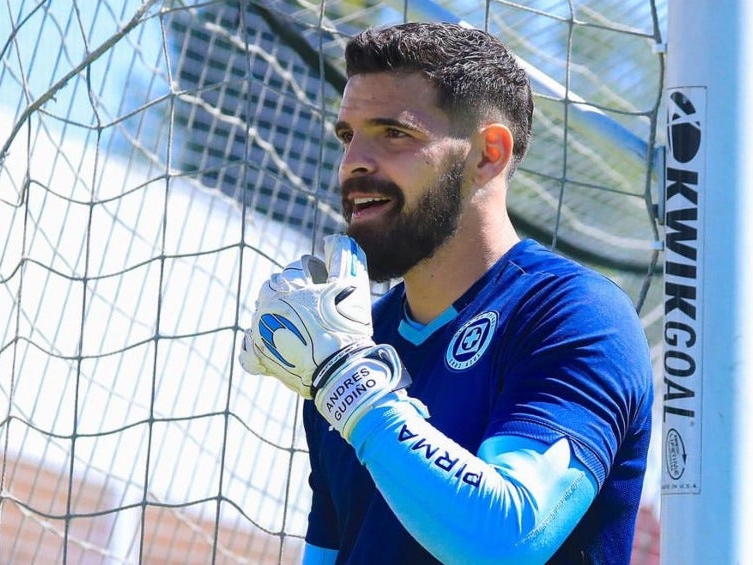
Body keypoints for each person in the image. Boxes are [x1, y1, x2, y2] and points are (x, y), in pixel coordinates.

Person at [240, 21, 653, 564]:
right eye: (347, 135)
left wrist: (346, 383)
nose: (352, 163)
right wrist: (343, 375)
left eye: (394, 133)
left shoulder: (575, 315)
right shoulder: (354, 340)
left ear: (488, 155)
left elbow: (508, 539)